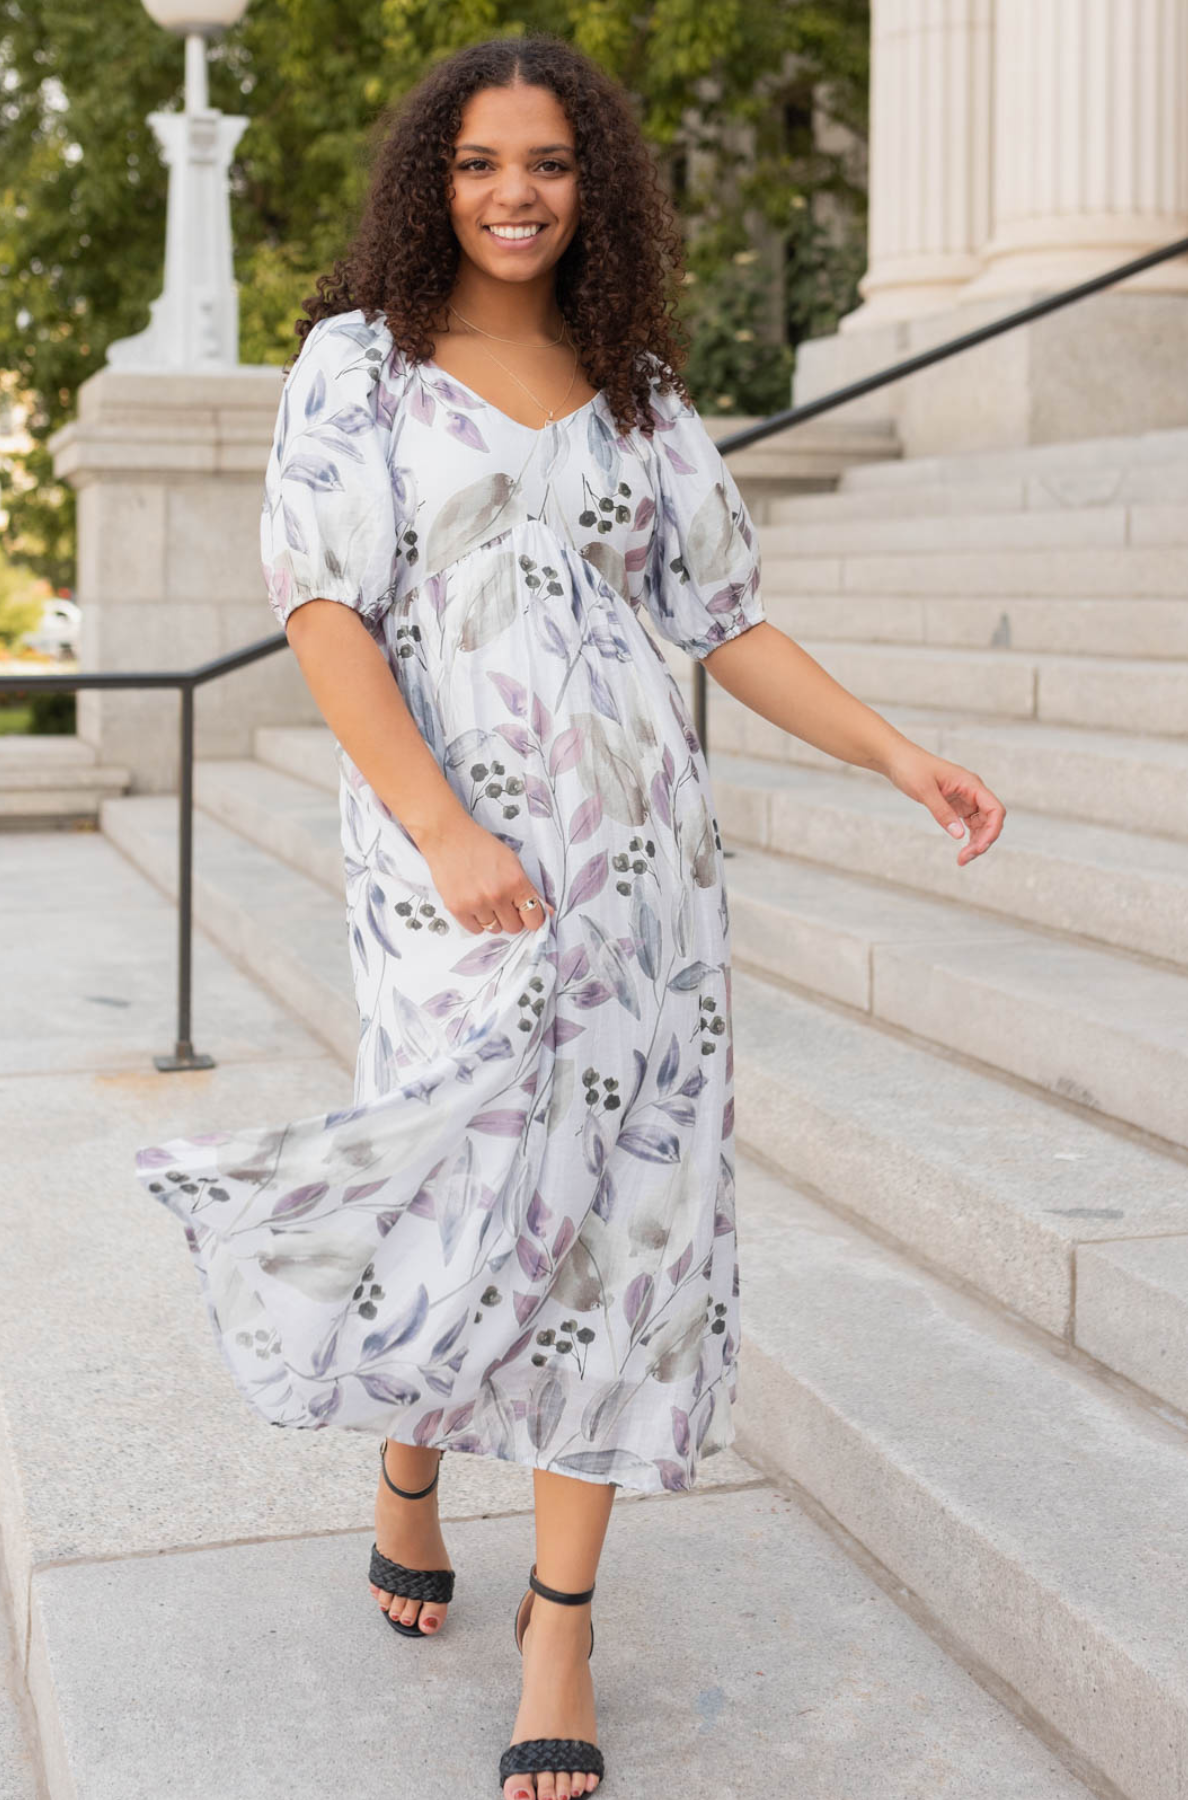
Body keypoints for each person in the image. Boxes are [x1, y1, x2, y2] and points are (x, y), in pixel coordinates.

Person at [135, 32, 1006, 1799]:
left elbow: (724, 619)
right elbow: (322, 609)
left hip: (646, 878)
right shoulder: (359, 368)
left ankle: (559, 1619)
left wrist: (898, 754)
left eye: (545, 162)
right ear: (428, 183)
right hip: (453, 865)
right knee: (469, 1186)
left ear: (589, 181)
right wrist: (445, 827)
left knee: (628, 1220)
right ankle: (408, 1456)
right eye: (477, 163)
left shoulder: (636, 386)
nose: (514, 194)